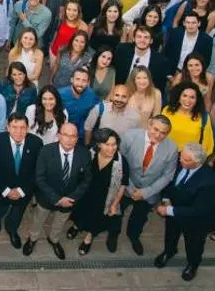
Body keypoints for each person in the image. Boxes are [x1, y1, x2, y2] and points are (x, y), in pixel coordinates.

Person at [22, 122, 92, 260]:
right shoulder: (46, 151)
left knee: (60, 222)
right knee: (38, 219)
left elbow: (86, 180)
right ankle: (32, 239)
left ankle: (54, 240)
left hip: (69, 200)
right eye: (66, 135)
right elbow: (39, 178)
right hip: (47, 197)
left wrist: (72, 198)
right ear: (59, 135)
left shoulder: (84, 154)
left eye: (73, 136)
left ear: (77, 138)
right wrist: (57, 199)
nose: (69, 139)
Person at [153, 142, 215, 281]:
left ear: (198, 162)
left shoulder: (209, 181)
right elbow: (169, 182)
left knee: (194, 244)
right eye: (181, 156)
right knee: (170, 235)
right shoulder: (179, 162)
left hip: (195, 221)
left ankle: (193, 264)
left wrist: (169, 210)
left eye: (186, 160)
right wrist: (166, 199)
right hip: (173, 212)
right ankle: (169, 251)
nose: (181, 160)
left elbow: (200, 210)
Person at [119, 117, 178, 256]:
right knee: (116, 213)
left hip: (149, 192)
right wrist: (129, 187)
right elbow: (119, 163)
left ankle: (134, 236)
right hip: (125, 186)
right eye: (155, 129)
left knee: (139, 218)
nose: (158, 135)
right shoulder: (129, 136)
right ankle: (113, 234)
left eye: (163, 133)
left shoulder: (172, 148)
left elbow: (167, 176)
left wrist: (145, 192)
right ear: (149, 125)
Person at [66, 128, 129, 256]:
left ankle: (88, 238)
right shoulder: (90, 153)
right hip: (86, 193)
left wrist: (114, 204)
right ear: (99, 144)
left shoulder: (121, 162)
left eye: (114, 144)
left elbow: (123, 185)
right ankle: (76, 226)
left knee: (97, 219)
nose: (111, 148)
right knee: (80, 212)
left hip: (104, 198)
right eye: (107, 144)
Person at [0, 113, 43, 249]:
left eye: (22, 127)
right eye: (14, 127)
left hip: (23, 190)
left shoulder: (36, 143)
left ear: (27, 128)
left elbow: (38, 172)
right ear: (7, 127)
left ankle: (12, 230)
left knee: (16, 215)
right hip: (0, 188)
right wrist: (6, 190)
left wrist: (22, 191)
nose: (18, 131)